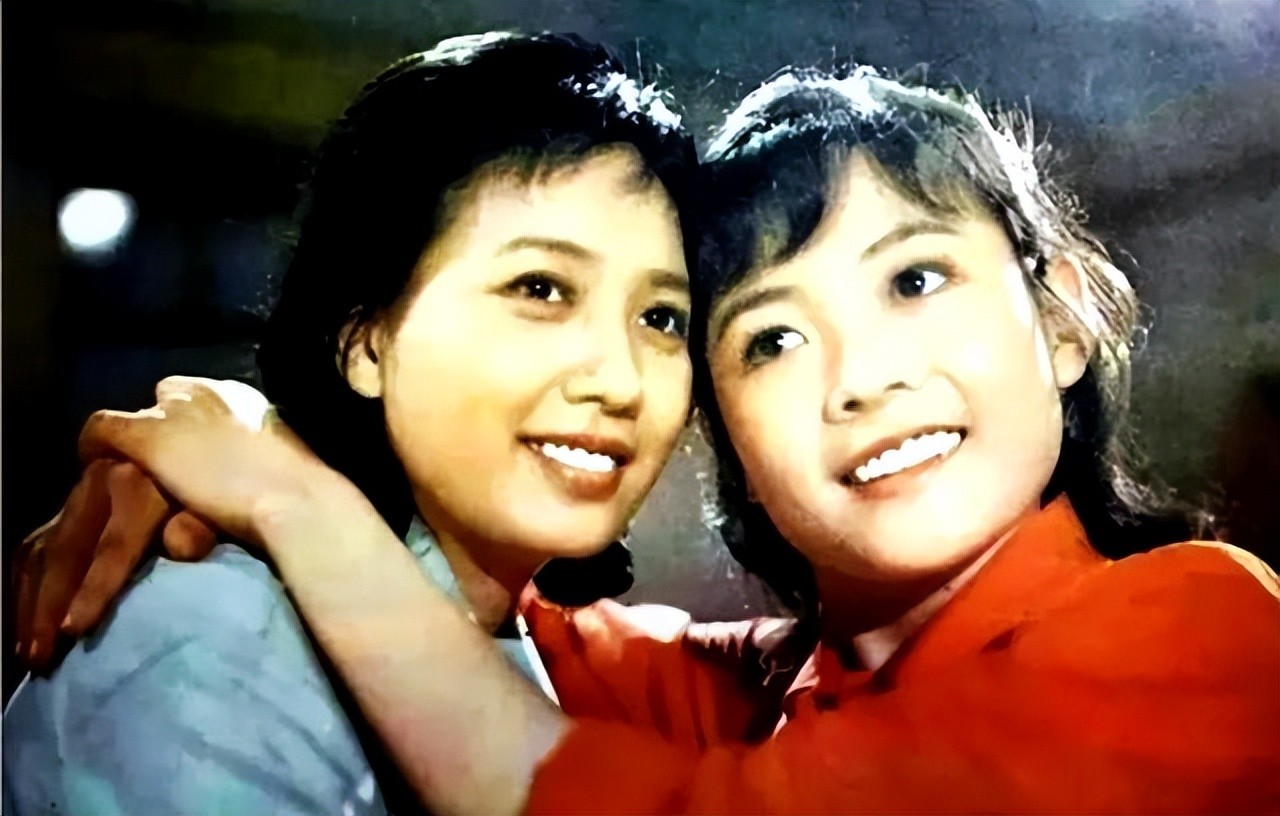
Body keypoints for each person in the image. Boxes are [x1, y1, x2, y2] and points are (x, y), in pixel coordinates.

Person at [17, 64, 1280, 814]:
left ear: (1059, 321)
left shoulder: (1207, 631)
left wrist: (288, 495)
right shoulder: (732, 692)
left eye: (914, 279)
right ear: (723, 429)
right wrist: (256, 441)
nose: (862, 380)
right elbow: (461, 588)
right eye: (768, 339)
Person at [6, 31, 783, 816]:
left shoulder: (542, 658)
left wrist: (281, 485)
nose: (619, 380)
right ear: (365, 343)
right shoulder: (215, 644)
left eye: (661, 317)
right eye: (540, 288)